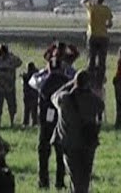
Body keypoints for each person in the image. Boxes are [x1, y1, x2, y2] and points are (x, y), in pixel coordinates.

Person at [54, 69, 104, 193]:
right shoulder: (93, 101)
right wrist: (89, 91)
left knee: (74, 177)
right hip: (88, 144)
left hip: (70, 145)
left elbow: (53, 96)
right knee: (85, 177)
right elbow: (101, 105)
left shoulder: (65, 99)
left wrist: (69, 84)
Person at [31, 55, 71, 189]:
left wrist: (44, 72)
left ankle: (43, 181)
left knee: (43, 153)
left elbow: (32, 81)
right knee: (61, 154)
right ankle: (60, 182)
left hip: (45, 122)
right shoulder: (66, 82)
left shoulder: (43, 81)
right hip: (61, 121)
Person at [81, 0, 113, 84]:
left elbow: (82, 2)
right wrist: (104, 26)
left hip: (93, 35)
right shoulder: (106, 9)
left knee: (91, 58)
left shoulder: (92, 7)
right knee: (102, 60)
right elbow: (110, 24)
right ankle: (100, 79)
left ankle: (90, 79)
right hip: (103, 36)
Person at [0, 44, 23, 128]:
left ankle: (12, 122)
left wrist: (12, 56)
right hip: (0, 87)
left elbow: (19, 62)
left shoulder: (11, 61)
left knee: (11, 106)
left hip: (9, 87)